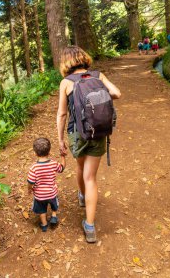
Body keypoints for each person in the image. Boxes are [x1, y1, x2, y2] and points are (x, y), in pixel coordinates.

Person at [57, 46, 121, 243]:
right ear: (84, 58)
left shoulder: (66, 82)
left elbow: (62, 113)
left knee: (80, 166)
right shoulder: (97, 75)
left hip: (77, 133)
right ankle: (90, 227)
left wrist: (60, 139)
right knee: (91, 176)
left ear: (66, 63)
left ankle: (83, 197)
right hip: (99, 131)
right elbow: (117, 93)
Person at [27, 137, 66, 232]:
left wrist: (29, 189)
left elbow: (30, 182)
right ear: (49, 152)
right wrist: (63, 156)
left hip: (40, 196)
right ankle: (53, 216)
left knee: (42, 210)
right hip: (52, 193)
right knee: (54, 205)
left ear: (35, 153)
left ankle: (44, 225)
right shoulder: (53, 164)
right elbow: (62, 168)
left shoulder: (33, 168)